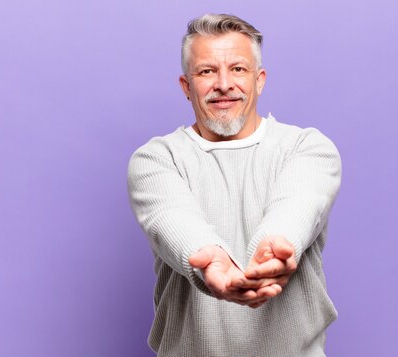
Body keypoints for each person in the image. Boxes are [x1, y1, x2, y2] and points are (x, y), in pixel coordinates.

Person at [128, 13, 342, 357]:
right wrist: (209, 261)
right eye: (207, 71)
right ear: (186, 86)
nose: (224, 84)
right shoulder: (156, 159)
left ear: (259, 81)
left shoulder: (308, 149)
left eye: (238, 69)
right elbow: (174, 221)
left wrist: (271, 250)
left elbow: (297, 206)